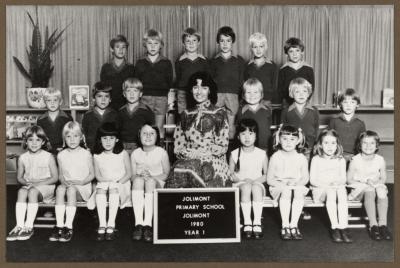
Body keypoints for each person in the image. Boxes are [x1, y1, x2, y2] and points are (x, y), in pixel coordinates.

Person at [165, 71, 231, 188]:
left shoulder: (219, 113)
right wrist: (188, 153)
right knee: (178, 170)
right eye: (195, 87)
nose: (199, 92)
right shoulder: (185, 114)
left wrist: (202, 153)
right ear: (191, 90)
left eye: (204, 87)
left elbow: (223, 145)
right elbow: (178, 146)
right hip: (189, 158)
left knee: (194, 169)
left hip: (213, 159)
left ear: (210, 90)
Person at [6, 126, 58, 241]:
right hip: (30, 186)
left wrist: (37, 185)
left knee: (32, 191)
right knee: (21, 191)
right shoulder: (23, 158)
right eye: (30, 140)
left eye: (38, 140)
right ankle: (19, 225)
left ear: (43, 141)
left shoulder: (48, 157)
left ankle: (28, 226)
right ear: (26, 141)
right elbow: (19, 177)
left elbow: (55, 178)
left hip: (46, 188)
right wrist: (26, 183)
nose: (34, 143)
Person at [50, 121, 95, 242]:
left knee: (70, 190)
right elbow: (60, 176)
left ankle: (68, 226)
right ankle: (59, 225)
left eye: (76, 136)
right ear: (64, 138)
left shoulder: (86, 154)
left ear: (81, 137)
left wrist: (81, 182)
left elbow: (92, 174)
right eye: (68, 136)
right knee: (60, 189)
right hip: (68, 186)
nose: (72, 139)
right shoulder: (61, 155)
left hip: (82, 188)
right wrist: (64, 182)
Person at [347, 131, 392, 241]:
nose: (368, 146)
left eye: (372, 143)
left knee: (381, 191)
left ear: (377, 145)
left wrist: (377, 184)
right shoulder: (355, 160)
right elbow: (349, 180)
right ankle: (373, 225)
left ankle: (383, 225)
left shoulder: (380, 160)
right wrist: (365, 181)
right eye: (365, 143)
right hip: (358, 190)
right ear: (359, 145)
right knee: (369, 189)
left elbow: (383, 178)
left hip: (375, 186)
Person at [266, 125, 309, 240]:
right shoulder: (275, 157)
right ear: (279, 139)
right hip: (279, 186)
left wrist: (296, 184)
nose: (288, 142)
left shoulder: (301, 157)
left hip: (296, 186)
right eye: (284, 139)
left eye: (292, 139)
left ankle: (294, 225)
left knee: (298, 193)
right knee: (286, 192)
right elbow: (269, 179)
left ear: (298, 140)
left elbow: (305, 178)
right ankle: (285, 225)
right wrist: (283, 185)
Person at [310, 129, 352, 243]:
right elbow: (312, 180)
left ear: (337, 145)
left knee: (342, 192)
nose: (330, 146)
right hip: (320, 190)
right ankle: (334, 227)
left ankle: (343, 226)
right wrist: (327, 185)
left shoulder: (340, 160)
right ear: (320, 145)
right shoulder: (316, 159)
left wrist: (338, 183)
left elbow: (343, 178)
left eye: (333, 143)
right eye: (326, 143)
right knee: (331, 192)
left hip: (336, 189)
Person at [229, 118, 268, 239]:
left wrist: (255, 181)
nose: (247, 137)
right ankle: (247, 222)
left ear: (256, 136)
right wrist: (241, 180)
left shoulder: (262, 153)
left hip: (257, 183)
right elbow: (230, 174)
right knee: (246, 187)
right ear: (238, 136)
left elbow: (267, 175)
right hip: (240, 185)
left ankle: (256, 222)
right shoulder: (234, 153)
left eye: (250, 133)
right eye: (243, 133)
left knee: (255, 188)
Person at [92, 122, 132, 241]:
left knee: (113, 188)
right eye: (104, 138)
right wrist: (106, 182)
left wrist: (118, 182)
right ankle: (102, 224)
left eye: (111, 138)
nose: (108, 142)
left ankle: (111, 224)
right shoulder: (97, 155)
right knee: (100, 190)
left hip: (121, 184)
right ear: (100, 140)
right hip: (104, 184)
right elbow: (98, 176)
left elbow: (129, 173)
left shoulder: (122, 153)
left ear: (117, 139)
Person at [131, 124, 170, 242]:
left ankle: (148, 224)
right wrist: (139, 176)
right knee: (138, 181)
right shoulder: (135, 153)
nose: (148, 136)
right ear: (139, 136)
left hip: (158, 184)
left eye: (152, 133)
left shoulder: (162, 152)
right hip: (141, 184)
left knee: (150, 182)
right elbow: (132, 176)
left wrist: (152, 177)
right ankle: (138, 224)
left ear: (157, 136)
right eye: (144, 133)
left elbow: (166, 174)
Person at [134, 29, 173, 141]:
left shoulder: (166, 62)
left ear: (161, 45)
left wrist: (163, 95)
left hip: (161, 99)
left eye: (156, 43)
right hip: (144, 98)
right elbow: (137, 83)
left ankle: (159, 151)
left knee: (158, 127)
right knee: (145, 127)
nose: (153, 46)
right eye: (149, 43)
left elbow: (169, 81)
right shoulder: (140, 62)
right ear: (145, 45)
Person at [210, 26, 245, 139]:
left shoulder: (239, 61)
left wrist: (240, 98)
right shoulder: (213, 61)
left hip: (233, 95)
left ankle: (230, 148)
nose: (225, 44)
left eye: (228, 41)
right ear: (218, 43)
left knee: (231, 125)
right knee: (215, 124)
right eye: (222, 41)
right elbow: (210, 81)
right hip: (217, 96)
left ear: (232, 42)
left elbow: (241, 81)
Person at [281, 77, 319, 159]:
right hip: (292, 148)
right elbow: (283, 131)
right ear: (291, 94)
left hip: (310, 148)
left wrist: (316, 144)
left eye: (304, 91)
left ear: (308, 93)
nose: (301, 94)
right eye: (297, 91)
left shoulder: (314, 111)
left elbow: (316, 130)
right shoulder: (286, 111)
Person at [175, 27, 210, 114]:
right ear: (183, 43)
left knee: (198, 115)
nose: (191, 43)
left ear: (198, 43)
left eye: (194, 40)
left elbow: (207, 79)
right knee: (183, 116)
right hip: (183, 93)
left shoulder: (204, 60)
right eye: (188, 41)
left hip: (199, 93)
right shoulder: (179, 60)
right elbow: (178, 76)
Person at [117, 78, 155, 154]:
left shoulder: (146, 111)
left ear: (140, 94)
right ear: (124, 94)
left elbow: (152, 131)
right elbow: (117, 131)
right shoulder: (120, 111)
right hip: (123, 147)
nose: (132, 94)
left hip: (140, 147)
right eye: (128, 91)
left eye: (135, 91)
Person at [329, 88, 366, 162]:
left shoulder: (360, 123)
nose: (348, 105)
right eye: (345, 102)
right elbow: (328, 139)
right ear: (340, 104)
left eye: (352, 102)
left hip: (354, 157)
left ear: (357, 105)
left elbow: (363, 142)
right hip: (337, 156)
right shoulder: (334, 121)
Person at [236, 78, 272, 152]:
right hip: (247, 148)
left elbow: (269, 126)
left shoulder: (267, 110)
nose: (252, 95)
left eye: (256, 92)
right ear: (243, 95)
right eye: (248, 92)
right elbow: (239, 129)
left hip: (264, 147)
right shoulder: (241, 111)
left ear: (261, 94)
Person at [100, 34, 135, 111]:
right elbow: (103, 89)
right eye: (117, 47)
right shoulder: (106, 67)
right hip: (110, 106)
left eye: (123, 47)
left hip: (126, 105)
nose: (121, 50)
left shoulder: (131, 67)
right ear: (112, 49)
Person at [82, 81, 119, 153]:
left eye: (106, 96)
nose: (103, 99)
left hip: (109, 152)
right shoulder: (88, 115)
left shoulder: (115, 115)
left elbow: (117, 135)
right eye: (99, 96)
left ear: (110, 99)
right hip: (92, 151)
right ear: (93, 99)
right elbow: (84, 134)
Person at [277, 37, 315, 106]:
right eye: (291, 51)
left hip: (304, 103)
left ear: (302, 52)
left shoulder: (309, 69)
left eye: (297, 50)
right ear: (286, 54)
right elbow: (280, 90)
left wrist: (303, 100)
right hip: (288, 105)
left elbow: (311, 89)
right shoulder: (283, 70)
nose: (294, 54)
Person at [244, 32, 278, 106]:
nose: (258, 50)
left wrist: (270, 98)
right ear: (251, 49)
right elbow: (245, 85)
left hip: (266, 100)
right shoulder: (247, 66)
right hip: (251, 100)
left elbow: (274, 85)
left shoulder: (272, 66)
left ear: (265, 47)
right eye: (255, 47)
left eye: (261, 46)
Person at [37, 87, 72, 155]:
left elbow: (71, 135)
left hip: (64, 151)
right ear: (44, 102)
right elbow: (40, 138)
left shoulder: (67, 118)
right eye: (49, 100)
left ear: (60, 102)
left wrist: (64, 148)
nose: (52, 103)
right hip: (46, 152)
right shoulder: (41, 119)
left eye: (55, 100)